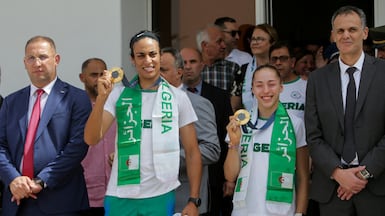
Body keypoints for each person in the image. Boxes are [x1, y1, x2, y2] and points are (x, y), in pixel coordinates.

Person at [83, 30, 202, 216]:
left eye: (153, 54)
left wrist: (194, 199)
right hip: (120, 194)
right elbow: (91, 139)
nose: (148, 61)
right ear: (132, 59)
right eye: (141, 55)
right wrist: (101, 99)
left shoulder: (178, 97)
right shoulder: (118, 94)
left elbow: (192, 151)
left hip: (160, 193)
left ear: (160, 56)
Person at [305, 6, 385, 216]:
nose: (346, 35)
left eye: (352, 29)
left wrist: (363, 174)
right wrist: (338, 173)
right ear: (332, 35)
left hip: (376, 188)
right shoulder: (317, 80)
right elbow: (313, 136)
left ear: (365, 33)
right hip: (333, 190)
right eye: (340, 31)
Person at [0, 35, 91, 215]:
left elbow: (77, 147)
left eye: (43, 57)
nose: (37, 63)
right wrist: (13, 179)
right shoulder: (11, 102)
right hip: (17, 201)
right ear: (24, 62)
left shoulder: (77, 99)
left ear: (56, 60)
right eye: (31, 58)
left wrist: (42, 180)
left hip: (60, 201)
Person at [224, 64, 309, 216]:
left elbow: (303, 176)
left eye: (271, 84)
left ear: (281, 87)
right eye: (259, 85)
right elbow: (230, 175)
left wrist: (300, 213)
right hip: (244, 210)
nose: (266, 91)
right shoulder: (239, 123)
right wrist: (234, 144)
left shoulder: (294, 124)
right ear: (252, 89)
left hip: (282, 211)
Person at [160, 47, 220, 216]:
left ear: (179, 73)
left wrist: (167, 157)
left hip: (184, 201)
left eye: (163, 70)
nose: (157, 76)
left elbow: (211, 150)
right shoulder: (146, 103)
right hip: (150, 198)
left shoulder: (197, 103)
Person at [180, 47, 233, 216]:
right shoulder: (168, 98)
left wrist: (228, 178)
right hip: (181, 180)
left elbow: (227, 137)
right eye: (184, 63)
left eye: (193, 62)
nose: (188, 66)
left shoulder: (220, 96)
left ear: (202, 64)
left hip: (215, 175)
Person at [79, 58, 116, 216]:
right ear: (82, 78)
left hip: (116, 191)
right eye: (94, 75)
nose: (99, 79)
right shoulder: (75, 107)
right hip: (84, 193)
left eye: (103, 74)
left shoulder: (118, 104)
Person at [241, 24, 279, 111]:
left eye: (260, 39)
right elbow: (235, 104)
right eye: (253, 39)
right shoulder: (243, 70)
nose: (255, 42)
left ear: (272, 43)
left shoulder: (279, 68)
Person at [196, 24, 239, 94]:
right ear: (204, 45)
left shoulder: (233, 68)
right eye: (219, 42)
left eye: (224, 41)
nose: (224, 46)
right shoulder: (192, 68)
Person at [269, 41, 307, 119]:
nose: (278, 62)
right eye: (274, 59)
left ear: (292, 62)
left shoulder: (306, 85)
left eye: (283, 58)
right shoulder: (263, 89)